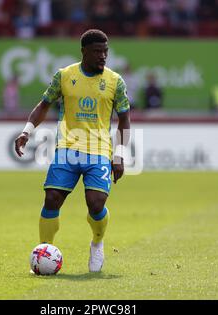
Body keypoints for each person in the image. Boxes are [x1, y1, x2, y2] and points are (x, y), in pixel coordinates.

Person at [14, 29, 131, 273]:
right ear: (84, 52)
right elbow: (43, 105)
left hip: (98, 150)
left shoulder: (115, 81)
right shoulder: (65, 76)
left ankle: (97, 243)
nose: (103, 56)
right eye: (97, 51)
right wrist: (27, 131)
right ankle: (43, 252)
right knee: (52, 198)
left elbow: (124, 120)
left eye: (105, 52)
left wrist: (119, 154)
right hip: (67, 149)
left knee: (96, 203)